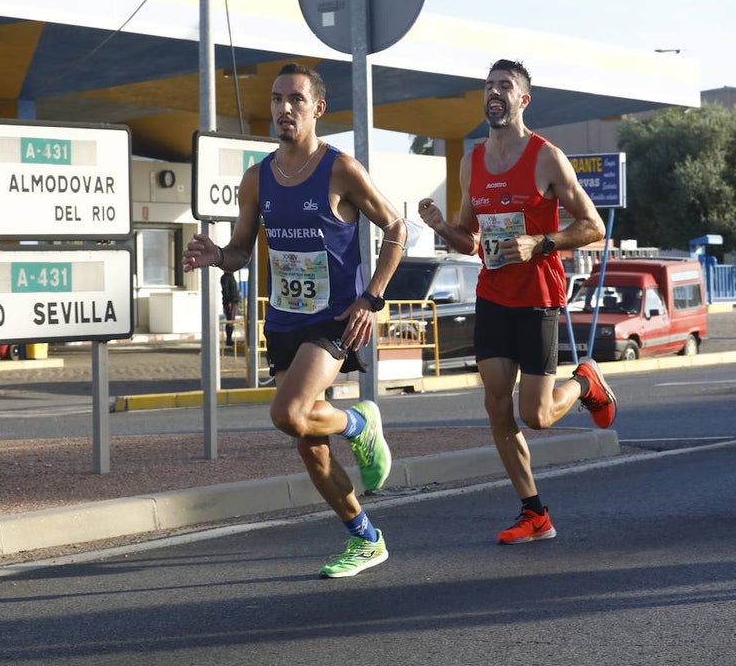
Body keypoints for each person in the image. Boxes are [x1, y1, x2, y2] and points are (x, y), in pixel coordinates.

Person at [183, 62, 407, 578]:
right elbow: (242, 250)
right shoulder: (256, 178)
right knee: (309, 446)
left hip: (333, 319)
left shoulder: (341, 169)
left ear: (317, 109)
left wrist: (372, 297)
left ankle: (359, 422)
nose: (284, 109)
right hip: (284, 320)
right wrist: (217, 256)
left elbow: (396, 228)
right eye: (278, 99)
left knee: (288, 413)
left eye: (296, 100)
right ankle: (366, 538)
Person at [417, 58, 618, 545]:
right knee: (495, 405)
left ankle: (585, 381)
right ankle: (534, 512)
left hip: (539, 295)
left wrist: (540, 242)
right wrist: (443, 227)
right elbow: (471, 240)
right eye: (489, 85)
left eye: (505, 86)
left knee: (537, 415)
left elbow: (593, 227)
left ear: (523, 100)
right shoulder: (472, 161)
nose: (494, 93)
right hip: (493, 294)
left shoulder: (547, 157)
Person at [220, 270, 241, 344]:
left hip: (234, 301)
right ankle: (229, 339)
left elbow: (232, 289)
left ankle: (229, 338)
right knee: (230, 321)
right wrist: (228, 302)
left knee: (231, 320)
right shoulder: (226, 278)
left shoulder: (231, 277)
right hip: (230, 302)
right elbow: (226, 291)